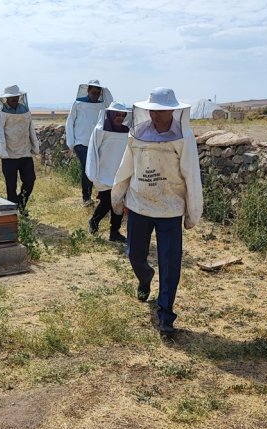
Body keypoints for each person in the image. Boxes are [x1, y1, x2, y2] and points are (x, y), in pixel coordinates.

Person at [112, 87, 203, 336]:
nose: (155, 116)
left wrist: (193, 212)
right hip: (140, 204)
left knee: (170, 264)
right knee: (134, 255)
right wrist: (117, 196)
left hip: (170, 207)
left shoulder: (184, 137)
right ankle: (144, 277)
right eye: (152, 111)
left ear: (173, 110)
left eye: (160, 112)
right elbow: (125, 167)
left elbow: (191, 175)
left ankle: (166, 316)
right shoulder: (138, 133)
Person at [85, 101, 131, 242]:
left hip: (120, 173)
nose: (120, 117)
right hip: (104, 173)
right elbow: (93, 152)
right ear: (110, 114)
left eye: (123, 115)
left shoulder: (127, 132)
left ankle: (114, 232)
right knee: (106, 202)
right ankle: (93, 222)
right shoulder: (100, 130)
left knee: (118, 203)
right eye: (117, 114)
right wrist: (93, 173)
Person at [65, 79, 113, 206]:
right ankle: (86, 198)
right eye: (93, 92)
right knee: (87, 168)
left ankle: (99, 195)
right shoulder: (78, 104)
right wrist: (71, 143)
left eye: (98, 92)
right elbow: (70, 122)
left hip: (97, 143)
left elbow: (111, 105)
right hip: (81, 143)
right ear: (88, 90)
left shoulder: (102, 105)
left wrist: (106, 89)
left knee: (98, 169)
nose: (95, 94)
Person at [0, 84, 39, 212]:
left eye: (16, 97)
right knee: (11, 186)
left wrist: (35, 147)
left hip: (25, 152)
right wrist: (2, 152)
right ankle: (13, 213)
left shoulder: (25, 109)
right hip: (9, 155)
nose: (15, 99)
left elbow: (30, 129)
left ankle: (21, 204)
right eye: (12, 97)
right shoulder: (0, 112)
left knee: (30, 180)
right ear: (6, 99)